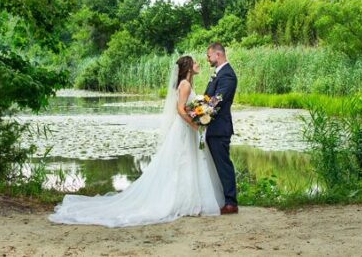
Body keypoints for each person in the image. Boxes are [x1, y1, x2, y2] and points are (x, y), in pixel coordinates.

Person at [48, 55, 224, 227]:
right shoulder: (185, 85)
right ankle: (186, 202)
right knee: (183, 162)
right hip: (185, 129)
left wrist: (198, 115)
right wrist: (194, 124)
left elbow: (186, 108)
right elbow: (180, 109)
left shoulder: (186, 83)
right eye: (194, 62)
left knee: (185, 163)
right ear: (188, 67)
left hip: (186, 128)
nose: (198, 64)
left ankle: (189, 201)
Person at [204, 42, 239, 214]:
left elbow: (218, 99)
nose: (207, 59)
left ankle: (231, 202)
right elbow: (208, 98)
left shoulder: (227, 75)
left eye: (209, 56)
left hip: (220, 128)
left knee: (223, 165)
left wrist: (199, 113)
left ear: (218, 55)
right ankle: (221, 199)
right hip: (212, 128)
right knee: (216, 165)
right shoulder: (217, 74)